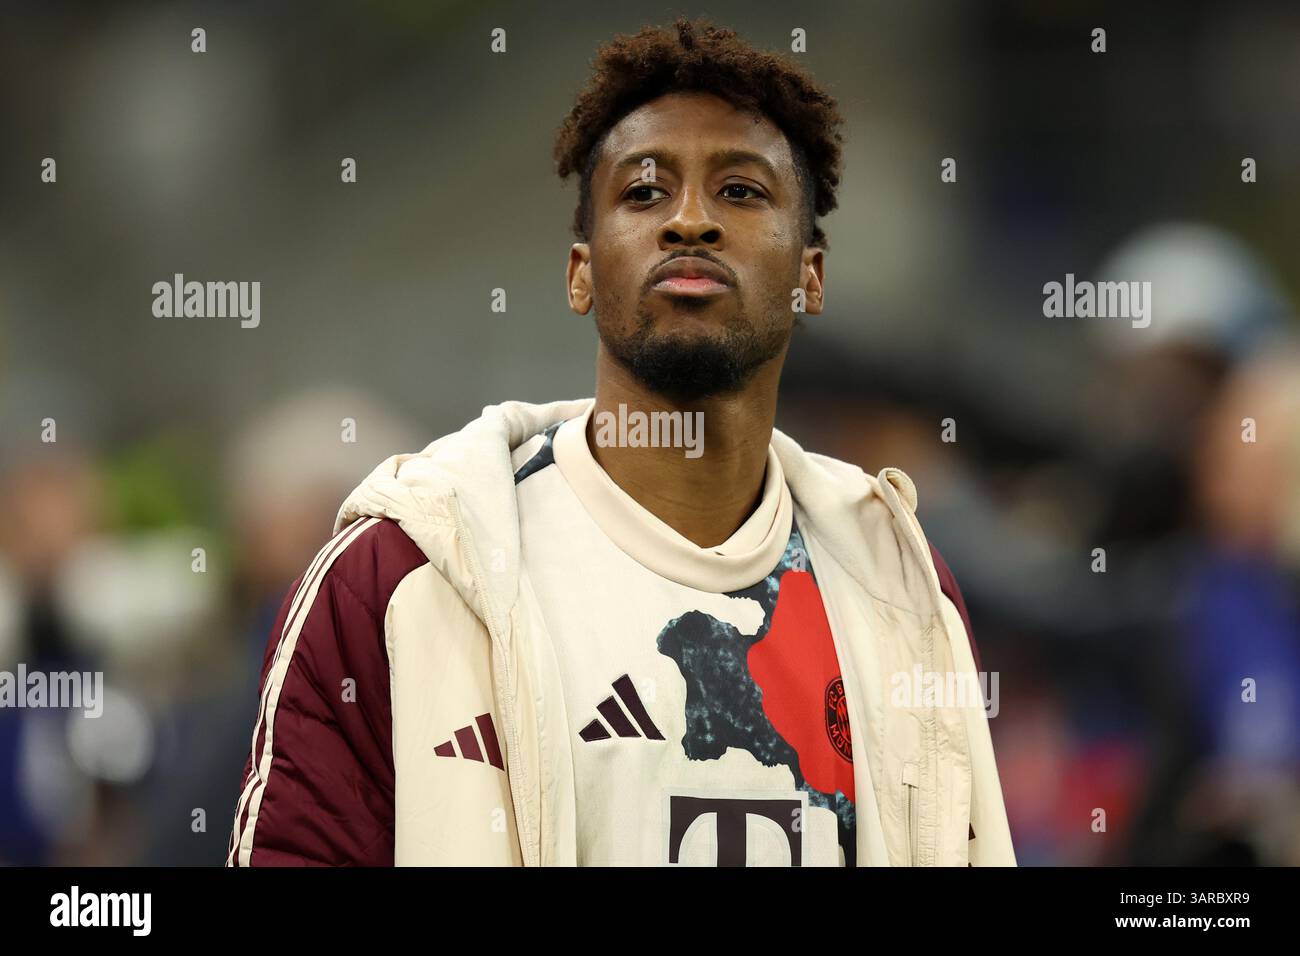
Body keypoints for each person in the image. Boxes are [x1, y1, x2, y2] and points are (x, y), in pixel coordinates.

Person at [226, 16, 1015, 867]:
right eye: (643, 193)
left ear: (810, 278)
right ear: (580, 272)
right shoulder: (398, 574)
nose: (689, 222)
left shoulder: (900, 586)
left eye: (741, 192)